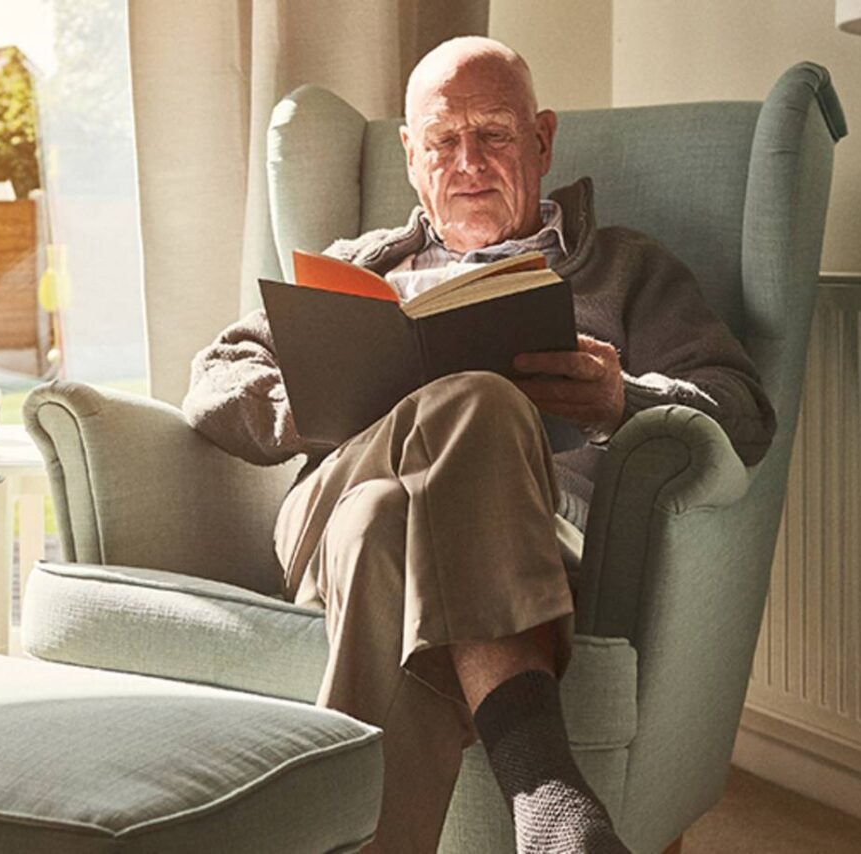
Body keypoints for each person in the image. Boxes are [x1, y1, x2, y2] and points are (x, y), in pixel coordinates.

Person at [181, 36, 775, 854]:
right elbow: (214, 374)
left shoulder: (626, 270)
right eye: (442, 139)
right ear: (410, 155)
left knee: (385, 525)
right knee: (463, 414)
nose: (467, 161)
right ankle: (546, 789)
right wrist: (302, 403)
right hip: (326, 510)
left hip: (524, 537)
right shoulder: (364, 267)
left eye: (493, 133)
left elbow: (742, 411)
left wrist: (622, 398)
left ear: (542, 139)